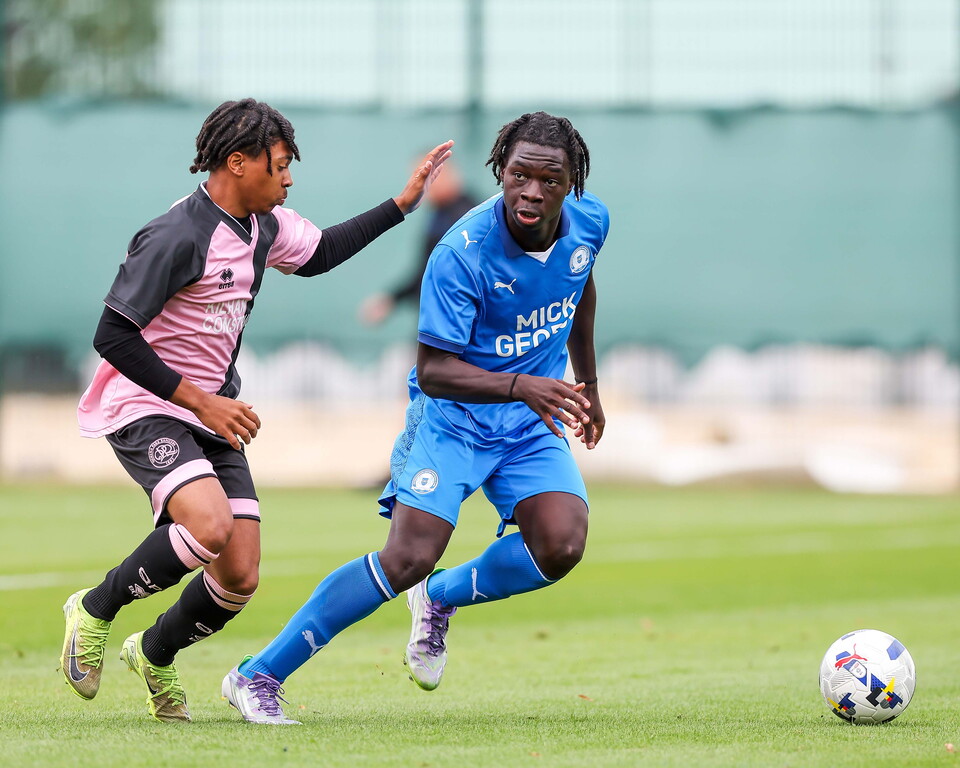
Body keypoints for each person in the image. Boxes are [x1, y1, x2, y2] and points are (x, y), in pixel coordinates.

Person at [60, 98, 452, 723]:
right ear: (238, 163)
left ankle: (155, 652)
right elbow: (113, 335)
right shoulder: (176, 237)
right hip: (148, 403)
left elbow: (321, 251)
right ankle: (94, 610)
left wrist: (401, 205)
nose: (289, 178)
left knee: (239, 577)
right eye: (280, 165)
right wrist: (198, 400)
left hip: (213, 409)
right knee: (208, 527)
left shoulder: (263, 226)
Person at [222, 110, 609, 726]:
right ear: (500, 173)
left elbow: (580, 285)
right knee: (406, 558)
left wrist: (585, 383)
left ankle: (440, 599)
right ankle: (257, 674)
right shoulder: (461, 251)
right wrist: (523, 385)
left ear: (572, 183)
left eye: (549, 179)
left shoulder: (591, 223)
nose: (532, 192)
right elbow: (432, 370)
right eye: (519, 176)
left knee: (561, 544)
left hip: (528, 421)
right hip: (454, 417)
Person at [358, 156, 479, 325]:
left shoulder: (470, 215)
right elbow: (426, 271)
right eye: (418, 178)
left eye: (430, 177)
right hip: (439, 321)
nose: (423, 185)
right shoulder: (438, 214)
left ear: (451, 174)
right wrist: (392, 299)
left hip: (458, 326)